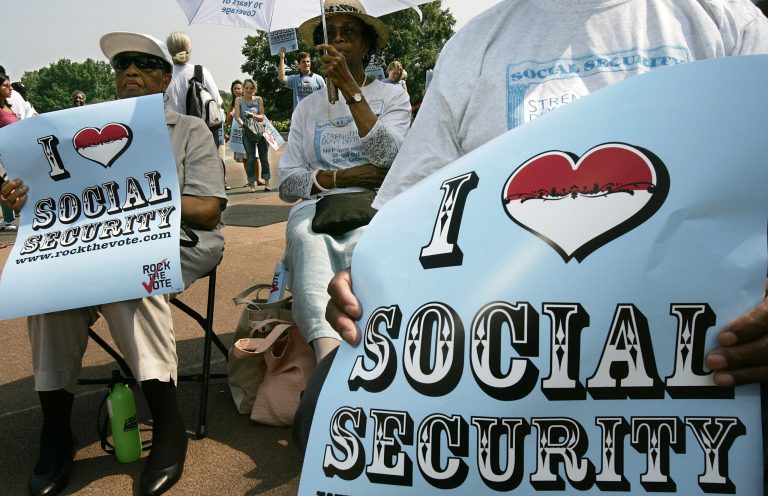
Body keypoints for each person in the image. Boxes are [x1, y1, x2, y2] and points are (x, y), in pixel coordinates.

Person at [300, 0, 768, 455]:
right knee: (323, 412)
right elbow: (411, 212)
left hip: (692, 346)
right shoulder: (472, 46)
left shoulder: (727, 25)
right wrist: (370, 282)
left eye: (348, 32)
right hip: (502, 336)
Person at [0, 31, 226, 496]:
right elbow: (54, 201)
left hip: (177, 240)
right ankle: (55, 431)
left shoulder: (189, 129)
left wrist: (137, 198)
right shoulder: (75, 134)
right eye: (122, 64)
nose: (131, 71)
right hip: (98, 245)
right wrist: (23, 197)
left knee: (127, 278)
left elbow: (208, 210)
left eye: (145, 63)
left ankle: (167, 423)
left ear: (165, 78)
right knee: (51, 292)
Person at [275, 0, 411, 364]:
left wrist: (351, 90)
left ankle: (376, 351)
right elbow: (287, 184)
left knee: (367, 247)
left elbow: (391, 158)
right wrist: (340, 176)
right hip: (319, 204)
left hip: (375, 201)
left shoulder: (392, 96)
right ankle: (326, 358)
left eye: (348, 32)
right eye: (329, 33)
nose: (337, 39)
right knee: (307, 242)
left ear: (367, 45)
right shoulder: (307, 108)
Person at [164, 31, 223, 147]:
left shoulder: (163, 76)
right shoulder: (200, 72)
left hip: (170, 137)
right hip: (198, 138)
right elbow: (217, 102)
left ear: (169, 50)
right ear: (189, 49)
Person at [233, 79, 271, 192]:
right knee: (250, 159)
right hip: (247, 132)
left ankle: (267, 183)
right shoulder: (239, 100)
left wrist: (252, 116)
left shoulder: (258, 99)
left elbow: (262, 116)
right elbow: (237, 116)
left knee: (264, 158)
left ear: (254, 89)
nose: (249, 90)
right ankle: (252, 185)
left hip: (260, 131)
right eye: (247, 88)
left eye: (251, 88)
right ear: (243, 89)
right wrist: (244, 126)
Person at [0, 73, 20, 231]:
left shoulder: (8, 107)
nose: (10, 88)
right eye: (5, 85)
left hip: (14, 155)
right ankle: (8, 220)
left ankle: (8, 219)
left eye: (10, 84)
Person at [225, 79, 248, 188]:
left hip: (249, 131)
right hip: (238, 133)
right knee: (244, 157)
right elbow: (228, 121)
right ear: (232, 90)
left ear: (242, 89)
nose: (237, 90)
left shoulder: (247, 100)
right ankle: (250, 179)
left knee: (254, 156)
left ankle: (257, 179)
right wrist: (231, 114)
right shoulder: (232, 104)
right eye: (235, 89)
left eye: (239, 88)